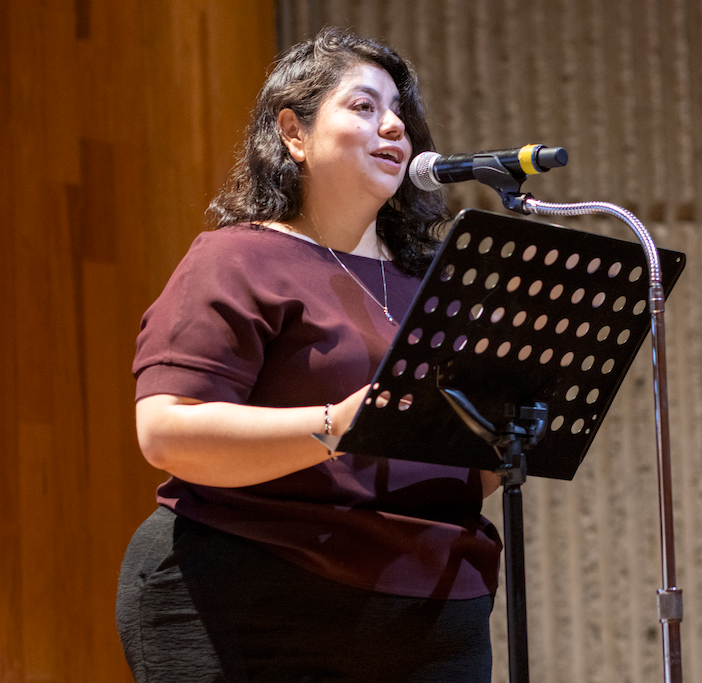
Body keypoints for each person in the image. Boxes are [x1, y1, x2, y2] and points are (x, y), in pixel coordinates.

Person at [116, 27, 504, 683]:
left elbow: (473, 474)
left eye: (400, 114)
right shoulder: (239, 258)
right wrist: (338, 423)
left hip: (432, 612)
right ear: (293, 133)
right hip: (252, 593)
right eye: (364, 107)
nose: (393, 127)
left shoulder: (437, 287)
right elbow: (166, 430)